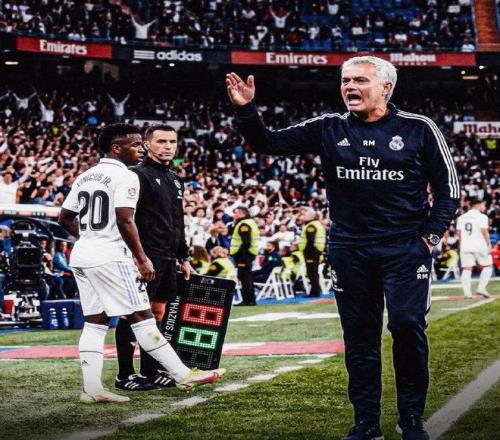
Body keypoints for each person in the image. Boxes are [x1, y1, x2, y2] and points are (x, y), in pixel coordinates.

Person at [226, 55, 460, 440]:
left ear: (386, 87)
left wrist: (429, 237)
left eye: (360, 80)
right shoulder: (328, 126)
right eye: (345, 80)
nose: (350, 87)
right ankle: (366, 423)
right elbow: (267, 143)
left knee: (407, 326)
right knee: (359, 337)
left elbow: (448, 189)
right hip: (349, 249)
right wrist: (246, 110)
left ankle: (411, 417)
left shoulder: (419, 128)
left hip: (404, 248)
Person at [58, 123, 225, 404]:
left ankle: (92, 389)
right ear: (116, 148)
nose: (140, 149)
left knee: (95, 322)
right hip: (112, 255)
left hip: (83, 254)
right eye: (135, 144)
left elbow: (64, 218)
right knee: (142, 317)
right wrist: (141, 257)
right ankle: (183, 374)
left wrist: (89, 238)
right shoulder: (127, 175)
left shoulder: (86, 176)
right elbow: (125, 219)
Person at [114, 124, 197, 391]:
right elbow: (125, 219)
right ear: (147, 144)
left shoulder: (175, 179)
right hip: (145, 257)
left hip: (168, 257)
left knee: (158, 312)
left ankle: (150, 372)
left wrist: (183, 257)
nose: (168, 146)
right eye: (161, 141)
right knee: (133, 315)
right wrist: (137, 257)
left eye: (172, 142)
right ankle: (125, 374)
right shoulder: (136, 175)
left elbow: (177, 221)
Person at [456, 199, 493, 299]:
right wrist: (488, 244)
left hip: (465, 245)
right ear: (478, 205)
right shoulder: (482, 217)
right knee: (488, 266)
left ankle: (467, 294)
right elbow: (484, 231)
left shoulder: (461, 218)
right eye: (483, 205)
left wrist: (461, 245)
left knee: (467, 268)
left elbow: (459, 234)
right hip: (479, 245)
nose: (484, 207)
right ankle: (481, 288)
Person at [230, 207, 260, 306]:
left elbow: (246, 242)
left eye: (236, 213)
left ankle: (248, 300)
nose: (234, 215)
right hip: (248, 254)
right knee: (246, 277)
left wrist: (239, 253)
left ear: (242, 214)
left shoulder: (244, 224)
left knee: (245, 278)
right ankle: (250, 300)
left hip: (244, 255)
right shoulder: (249, 222)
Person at [298, 209, 326, 297]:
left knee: (311, 272)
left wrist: (306, 252)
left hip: (311, 252)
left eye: (304, 215)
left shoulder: (311, 226)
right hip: (316, 251)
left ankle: (314, 292)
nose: (302, 216)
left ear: (310, 216)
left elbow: (310, 241)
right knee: (314, 272)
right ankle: (315, 291)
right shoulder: (317, 224)